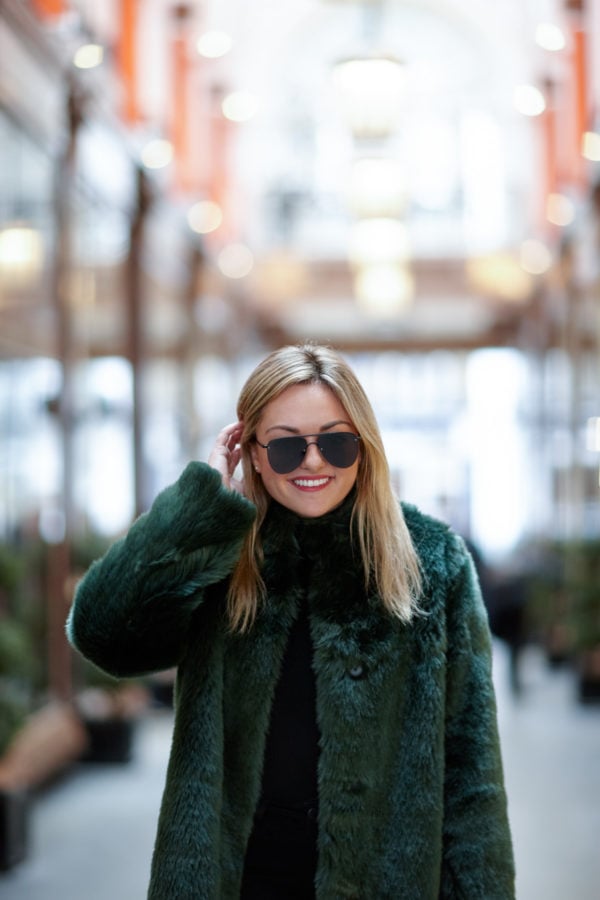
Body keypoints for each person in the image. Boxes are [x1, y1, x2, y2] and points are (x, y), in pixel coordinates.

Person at [67, 343, 515, 900]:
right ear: (251, 452)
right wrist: (198, 506)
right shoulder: (221, 555)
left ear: (364, 447)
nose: (312, 461)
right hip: (241, 878)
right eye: (284, 447)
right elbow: (104, 634)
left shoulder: (433, 563)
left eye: (335, 441)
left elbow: (472, 776)